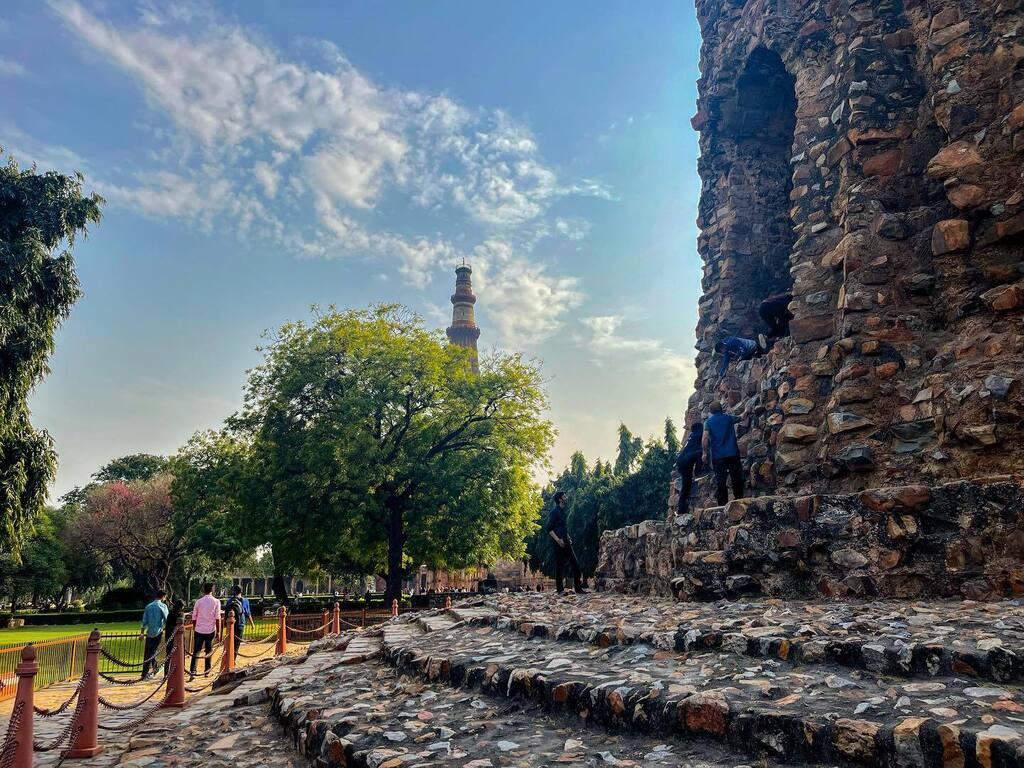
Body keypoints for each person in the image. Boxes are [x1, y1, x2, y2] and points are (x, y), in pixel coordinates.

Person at [703, 401, 745, 506]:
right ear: (721, 409)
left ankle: (723, 504)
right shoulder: (728, 418)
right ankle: (739, 499)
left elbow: (704, 438)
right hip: (732, 453)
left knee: (720, 480)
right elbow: (742, 417)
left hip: (718, 456)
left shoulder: (708, 422)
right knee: (736, 477)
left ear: (711, 411)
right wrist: (747, 411)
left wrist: (704, 453)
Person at [547, 491, 584, 594]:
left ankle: (578, 589)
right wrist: (558, 540)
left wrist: (568, 537)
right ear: (560, 499)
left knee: (575, 564)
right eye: (564, 496)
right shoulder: (554, 512)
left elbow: (563, 528)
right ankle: (560, 590)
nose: (566, 498)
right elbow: (549, 528)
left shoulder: (563, 512)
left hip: (566, 541)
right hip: (558, 542)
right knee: (559, 566)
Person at [189, 583, 220, 676]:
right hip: (210, 629)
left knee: (196, 651)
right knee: (208, 650)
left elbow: (194, 617)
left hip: (199, 629)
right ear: (212, 590)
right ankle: (207, 671)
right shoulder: (216, 601)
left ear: (203, 590)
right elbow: (217, 618)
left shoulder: (198, 602)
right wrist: (218, 631)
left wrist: (195, 627)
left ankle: (193, 671)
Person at [674, 422, 704, 515]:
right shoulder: (699, 434)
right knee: (686, 486)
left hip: (681, 461)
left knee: (686, 485)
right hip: (686, 462)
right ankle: (681, 509)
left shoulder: (691, 436)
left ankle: (682, 507)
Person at [138, 590, 168, 680]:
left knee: (149, 652)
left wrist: (142, 633)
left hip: (149, 632)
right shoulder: (162, 606)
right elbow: (167, 619)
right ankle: (147, 672)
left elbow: (144, 621)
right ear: (163, 596)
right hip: (158, 632)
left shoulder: (148, 606)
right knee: (152, 652)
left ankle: (150, 670)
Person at [163, 598, 184, 677]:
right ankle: (179, 671)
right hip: (177, 637)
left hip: (169, 635)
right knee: (179, 655)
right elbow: (181, 624)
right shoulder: (180, 614)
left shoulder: (170, 613)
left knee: (168, 655)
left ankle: (166, 673)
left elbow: (167, 625)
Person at [224, 585, 247, 656]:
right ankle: (233, 659)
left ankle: (228, 659)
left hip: (230, 624)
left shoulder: (229, 601)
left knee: (229, 642)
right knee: (237, 643)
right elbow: (247, 612)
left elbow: (226, 612)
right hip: (240, 624)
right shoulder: (245, 600)